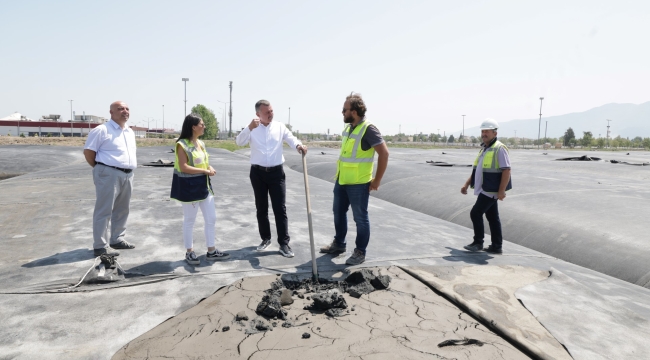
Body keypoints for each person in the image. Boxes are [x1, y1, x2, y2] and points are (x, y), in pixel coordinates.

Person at [319, 93, 389, 265]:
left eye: (345, 110)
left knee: (360, 218)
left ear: (355, 111)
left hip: (359, 183)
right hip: (342, 181)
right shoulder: (349, 128)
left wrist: (377, 180)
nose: (342, 112)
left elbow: (384, 153)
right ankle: (339, 244)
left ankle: (360, 252)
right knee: (338, 213)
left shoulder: (369, 129)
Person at [235, 100, 307, 258]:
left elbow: (291, 139)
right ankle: (265, 239)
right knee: (261, 208)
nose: (270, 114)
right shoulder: (252, 129)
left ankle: (284, 243)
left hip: (276, 173)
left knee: (280, 208)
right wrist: (249, 128)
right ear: (258, 114)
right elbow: (239, 142)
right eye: (267, 112)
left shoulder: (279, 126)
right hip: (258, 173)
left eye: (272, 111)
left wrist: (298, 146)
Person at [171, 114, 230, 265]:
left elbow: (204, 162)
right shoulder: (182, 144)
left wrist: (209, 167)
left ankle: (211, 251)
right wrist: (204, 171)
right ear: (193, 126)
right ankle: (189, 252)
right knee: (189, 221)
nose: (204, 127)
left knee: (211, 219)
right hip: (189, 189)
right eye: (202, 124)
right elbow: (184, 167)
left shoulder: (201, 143)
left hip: (204, 187)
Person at [83, 101, 137, 256]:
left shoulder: (129, 131)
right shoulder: (102, 130)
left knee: (122, 209)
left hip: (128, 174)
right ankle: (100, 245)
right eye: (120, 109)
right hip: (109, 173)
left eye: (127, 108)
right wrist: (101, 169)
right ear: (111, 112)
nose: (125, 111)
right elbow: (88, 152)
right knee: (104, 209)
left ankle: (117, 239)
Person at [460, 118, 512, 254]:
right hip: (485, 187)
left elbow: (506, 170)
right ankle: (496, 246)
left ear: (495, 133)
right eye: (483, 131)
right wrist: (466, 184)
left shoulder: (499, 148)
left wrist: (501, 191)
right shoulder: (485, 149)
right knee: (493, 217)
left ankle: (478, 242)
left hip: (491, 190)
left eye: (487, 131)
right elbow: (478, 169)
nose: (484, 134)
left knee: (475, 213)